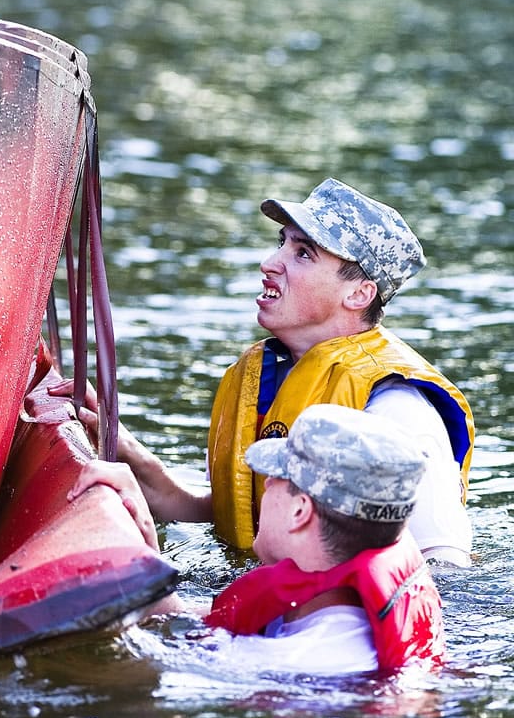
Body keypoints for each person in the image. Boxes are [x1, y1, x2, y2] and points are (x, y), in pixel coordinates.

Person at [72, 178, 474, 566]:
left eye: (303, 253)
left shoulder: (396, 409)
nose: (269, 263)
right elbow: (238, 518)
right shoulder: (268, 375)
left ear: (358, 294)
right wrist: (131, 457)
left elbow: (445, 570)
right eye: (281, 242)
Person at [70, 404, 445, 674]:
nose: (264, 487)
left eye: (274, 477)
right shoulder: (330, 608)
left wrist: (142, 556)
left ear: (300, 510)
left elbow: (156, 653)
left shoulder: (296, 660)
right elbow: (189, 618)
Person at [203, 403, 444, 674]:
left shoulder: (284, 663)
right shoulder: (335, 613)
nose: (267, 482)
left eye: (278, 474)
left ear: (299, 511)